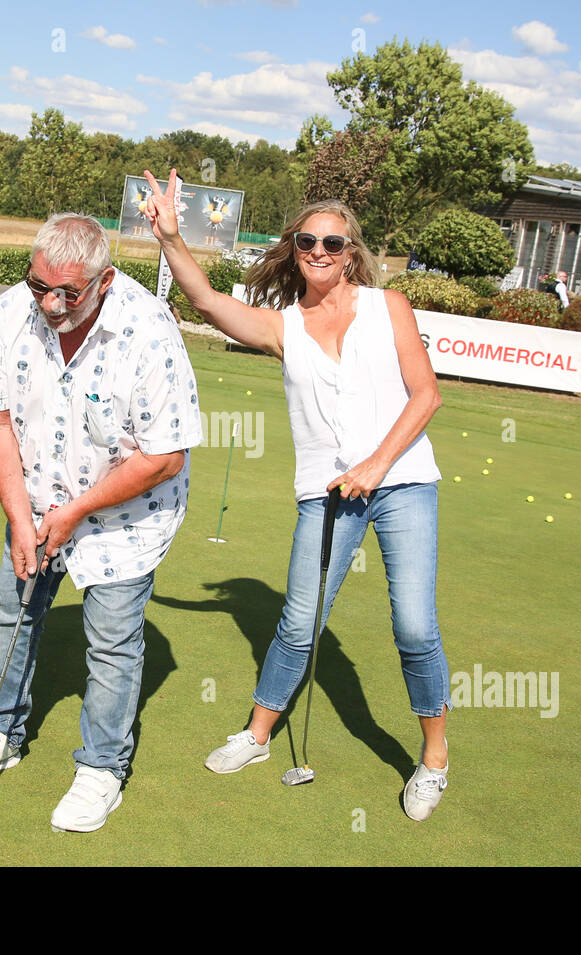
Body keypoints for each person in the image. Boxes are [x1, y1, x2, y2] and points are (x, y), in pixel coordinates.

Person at [141, 169, 452, 820]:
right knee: (298, 622)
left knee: (415, 626)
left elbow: (427, 395)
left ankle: (433, 760)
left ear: (352, 253)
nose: (318, 252)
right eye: (307, 242)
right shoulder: (284, 326)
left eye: (332, 244)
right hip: (326, 491)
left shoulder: (387, 308)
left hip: (402, 482)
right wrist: (171, 237)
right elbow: (205, 303)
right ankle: (257, 737)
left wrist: (376, 463)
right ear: (296, 248)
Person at [0, 212, 203, 833]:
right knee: (14, 610)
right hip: (33, 498)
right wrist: (21, 517)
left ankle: (102, 769)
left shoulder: (149, 332)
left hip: (126, 516)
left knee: (111, 641)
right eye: (39, 286)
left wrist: (76, 511)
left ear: (104, 280)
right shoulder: (7, 316)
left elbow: (164, 457)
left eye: (69, 292)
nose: (51, 304)